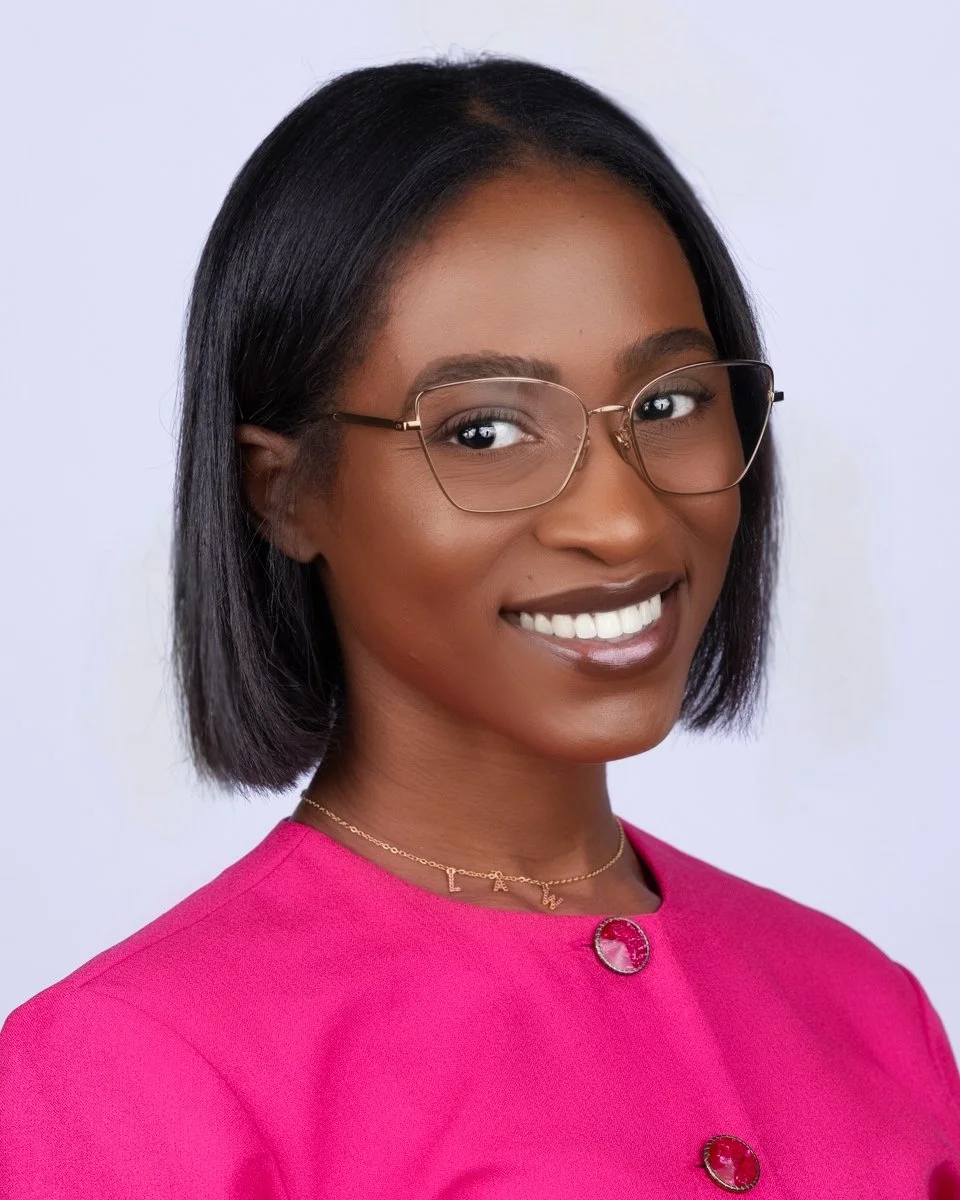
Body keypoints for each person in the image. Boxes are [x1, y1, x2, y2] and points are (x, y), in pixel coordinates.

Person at [1, 54, 957, 1199]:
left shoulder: (866, 1006)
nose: (622, 518)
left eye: (669, 404)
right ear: (284, 490)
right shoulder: (134, 1073)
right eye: (487, 432)